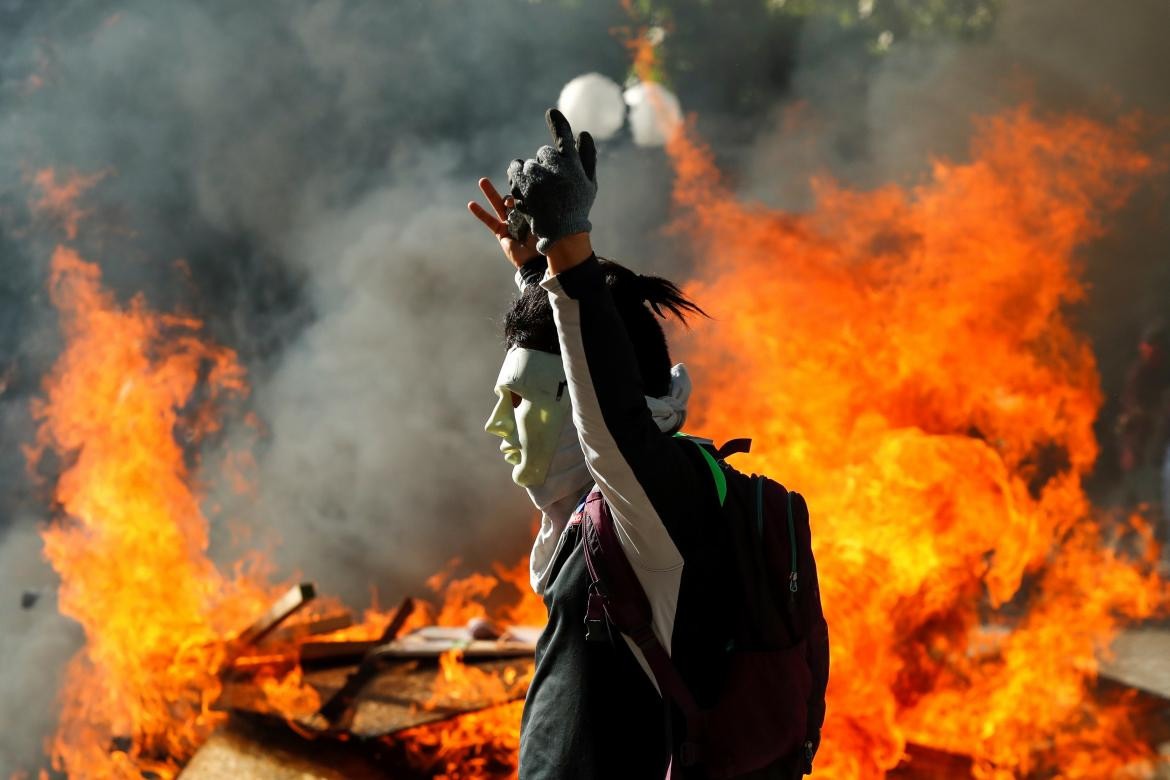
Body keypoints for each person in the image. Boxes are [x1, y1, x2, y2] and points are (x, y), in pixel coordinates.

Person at [469, 109, 825, 779]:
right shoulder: (600, 508)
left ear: (584, 408)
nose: (496, 424)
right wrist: (537, 272)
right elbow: (592, 393)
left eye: (517, 402)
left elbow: (610, 417)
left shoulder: (658, 504)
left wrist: (570, 250)